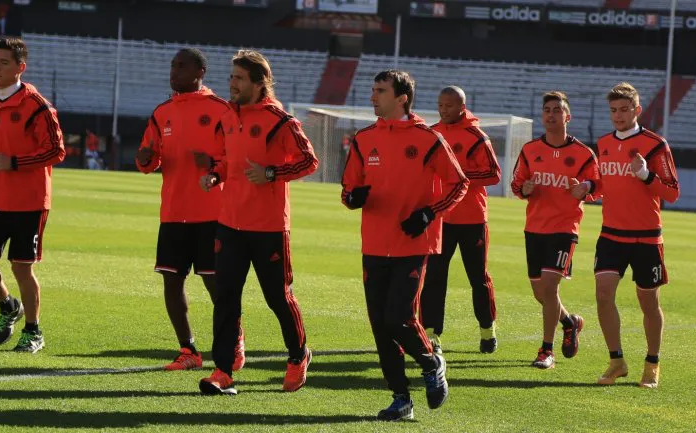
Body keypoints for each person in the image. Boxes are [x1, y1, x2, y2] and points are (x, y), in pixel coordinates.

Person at [342, 70, 469, 421]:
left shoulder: (427, 138)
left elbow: (459, 184)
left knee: (399, 318)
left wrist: (429, 214)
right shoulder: (363, 138)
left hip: (414, 244)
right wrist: (354, 198)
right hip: (374, 245)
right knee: (380, 327)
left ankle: (431, 364)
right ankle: (401, 401)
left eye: (380, 91)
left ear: (402, 98)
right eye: (372, 90)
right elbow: (348, 189)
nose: (372, 97)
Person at [198, 50, 318, 395]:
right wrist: (215, 174)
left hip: (268, 228)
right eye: (231, 76)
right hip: (230, 223)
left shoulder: (280, 120)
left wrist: (271, 173)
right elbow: (226, 158)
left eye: (238, 78)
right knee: (226, 298)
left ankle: (298, 355)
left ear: (258, 82)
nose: (231, 83)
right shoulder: (227, 115)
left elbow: (308, 161)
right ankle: (222, 371)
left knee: (278, 298)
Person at [136, 48, 245, 372]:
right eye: (172, 66)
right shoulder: (162, 112)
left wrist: (211, 163)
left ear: (200, 71)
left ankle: (234, 340)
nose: (174, 71)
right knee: (172, 281)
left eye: (182, 66)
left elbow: (237, 158)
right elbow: (150, 158)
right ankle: (189, 350)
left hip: (212, 213)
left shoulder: (221, 110)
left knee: (216, 286)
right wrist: (145, 159)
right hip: (173, 212)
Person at [572, 82, 680, 388]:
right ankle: (617, 362)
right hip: (612, 234)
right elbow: (604, 182)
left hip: (647, 237)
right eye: (613, 110)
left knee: (649, 304)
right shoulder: (604, 142)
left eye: (624, 110)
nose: (618, 115)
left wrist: (646, 174)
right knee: (603, 296)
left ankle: (652, 364)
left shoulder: (655, 144)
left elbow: (672, 192)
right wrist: (588, 188)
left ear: (637, 110)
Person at [0, 37, 65, 353]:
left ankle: (33, 331)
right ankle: (8, 305)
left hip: (29, 202)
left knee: (22, 268)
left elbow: (57, 150)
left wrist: (15, 162)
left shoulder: (37, 106)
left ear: (20, 67)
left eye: (4, 62)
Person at [510, 91, 596, 369]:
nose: (551, 114)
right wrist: (524, 188)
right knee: (541, 294)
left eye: (557, 110)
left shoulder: (583, 154)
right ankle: (570, 323)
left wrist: (585, 189)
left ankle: (546, 350)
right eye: (547, 109)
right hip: (534, 228)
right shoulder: (530, 150)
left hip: (564, 228)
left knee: (549, 287)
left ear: (567, 116)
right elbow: (517, 184)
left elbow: (597, 185)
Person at [421, 86, 501, 354]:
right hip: (441, 218)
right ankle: (432, 334)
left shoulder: (476, 136)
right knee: (434, 277)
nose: (443, 110)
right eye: (440, 105)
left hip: (472, 219)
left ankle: (487, 329)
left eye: (449, 106)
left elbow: (493, 174)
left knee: (477, 277)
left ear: (461, 107)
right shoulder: (432, 133)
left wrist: (460, 176)